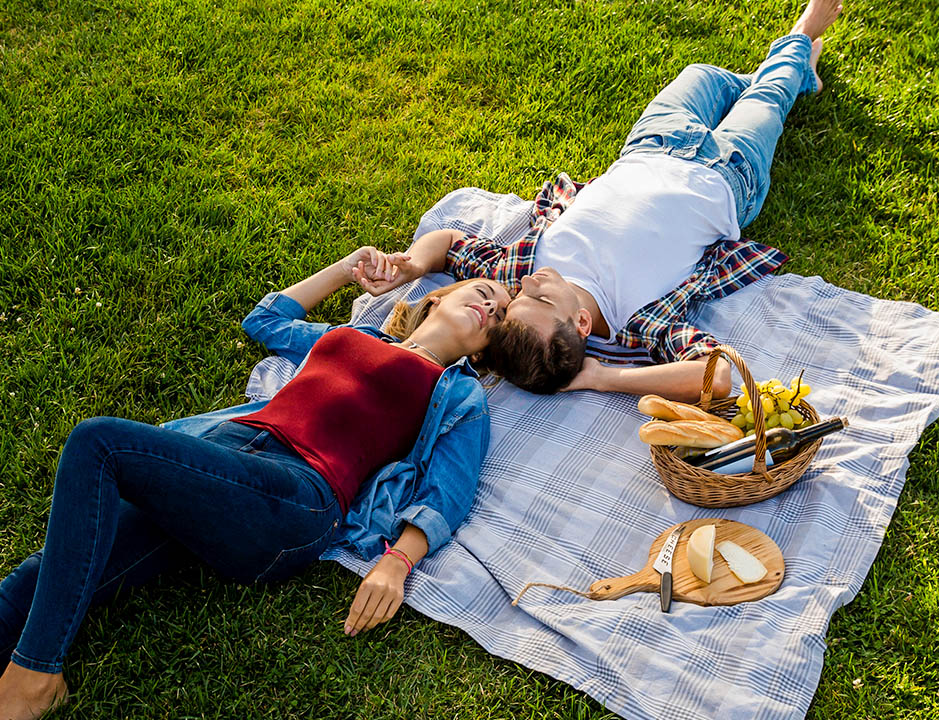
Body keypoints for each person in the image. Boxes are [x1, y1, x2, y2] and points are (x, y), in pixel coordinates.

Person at [0, 248, 510, 720]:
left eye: (501, 314)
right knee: (40, 576)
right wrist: (347, 267)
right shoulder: (356, 337)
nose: (491, 304)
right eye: (484, 291)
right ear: (437, 295)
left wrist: (398, 563)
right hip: (221, 453)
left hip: (300, 497)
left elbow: (449, 491)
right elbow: (265, 320)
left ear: (486, 349)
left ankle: (36, 675)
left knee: (100, 443)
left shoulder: (460, 393)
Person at [351, 0, 843, 403]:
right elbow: (716, 378)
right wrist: (601, 377)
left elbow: (450, 241)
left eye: (517, 300)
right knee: (770, 96)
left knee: (704, 75)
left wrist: (412, 266)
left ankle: (789, 70)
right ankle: (801, 41)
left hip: (652, 144)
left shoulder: (522, 275)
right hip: (729, 174)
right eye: (540, 299)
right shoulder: (639, 322)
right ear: (582, 324)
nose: (527, 287)